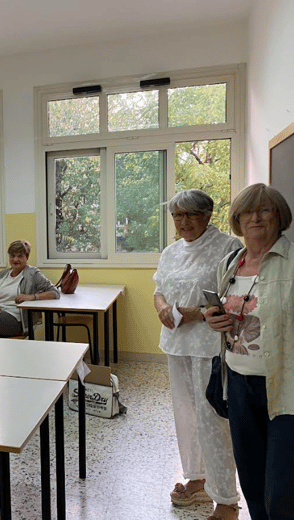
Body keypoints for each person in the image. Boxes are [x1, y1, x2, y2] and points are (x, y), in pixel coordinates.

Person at [204, 183, 294, 520]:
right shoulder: (230, 262)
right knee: (253, 482)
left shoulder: (292, 261)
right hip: (238, 383)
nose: (254, 217)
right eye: (246, 212)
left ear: (279, 216)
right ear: (237, 220)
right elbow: (225, 313)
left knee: (282, 493)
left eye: (264, 210)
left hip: (284, 388)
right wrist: (212, 319)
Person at [153, 190, 241, 520]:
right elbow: (158, 288)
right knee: (186, 415)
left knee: (213, 420)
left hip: (210, 347)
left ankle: (227, 499)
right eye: (177, 215)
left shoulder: (227, 247)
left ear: (207, 215)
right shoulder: (171, 251)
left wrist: (190, 313)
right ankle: (198, 480)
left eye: (191, 214)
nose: (183, 222)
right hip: (176, 343)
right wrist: (163, 308)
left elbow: (235, 298)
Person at [0, 239, 59, 339]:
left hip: (17, 321)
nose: (15, 259)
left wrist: (32, 297)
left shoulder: (32, 273)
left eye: (20, 256)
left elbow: (55, 292)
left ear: (26, 257)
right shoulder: (3, 274)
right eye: (12, 256)